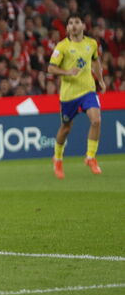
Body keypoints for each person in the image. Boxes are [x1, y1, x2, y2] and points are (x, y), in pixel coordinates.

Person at [48, 14, 105, 179]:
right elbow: (51, 68)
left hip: (88, 90)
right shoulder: (62, 46)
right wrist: (67, 72)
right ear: (67, 28)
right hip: (69, 94)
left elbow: (96, 61)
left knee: (96, 120)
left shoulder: (91, 43)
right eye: (70, 23)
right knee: (66, 128)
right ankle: (58, 158)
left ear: (83, 26)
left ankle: (90, 157)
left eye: (77, 22)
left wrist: (100, 80)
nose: (74, 25)